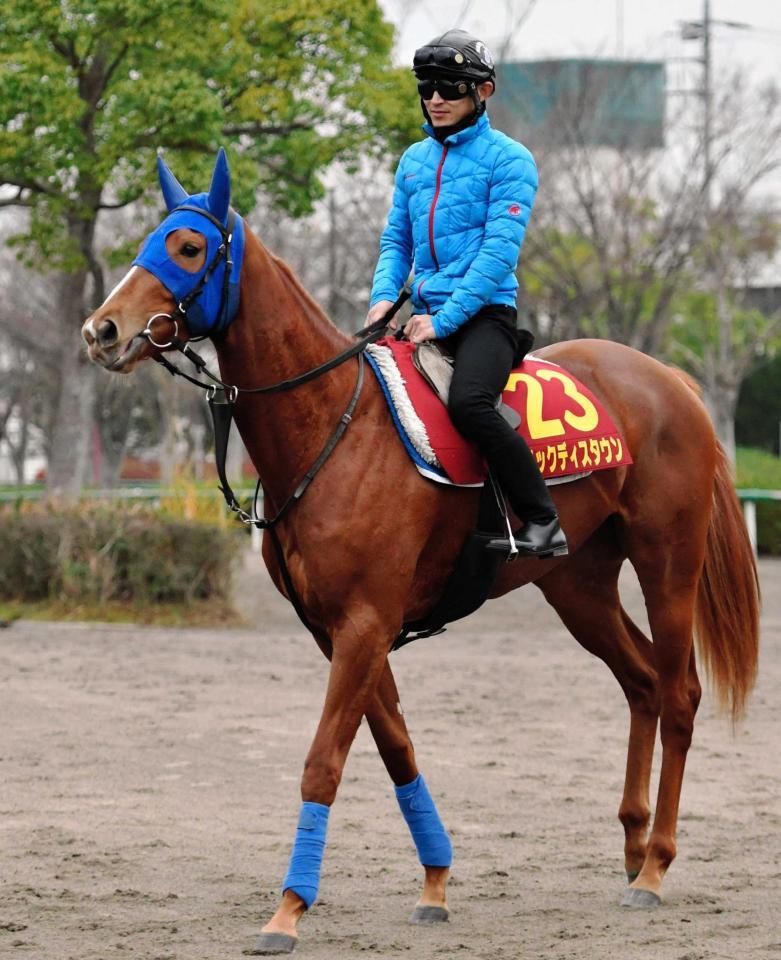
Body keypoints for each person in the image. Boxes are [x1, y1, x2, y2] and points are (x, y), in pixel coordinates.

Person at [367, 28, 568, 557]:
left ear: (484, 92)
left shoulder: (511, 160)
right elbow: (396, 241)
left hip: (484, 315)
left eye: (451, 87)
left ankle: (543, 520)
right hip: (419, 316)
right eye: (427, 86)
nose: (436, 98)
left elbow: (497, 256)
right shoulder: (413, 160)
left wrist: (444, 320)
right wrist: (382, 300)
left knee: (471, 405)